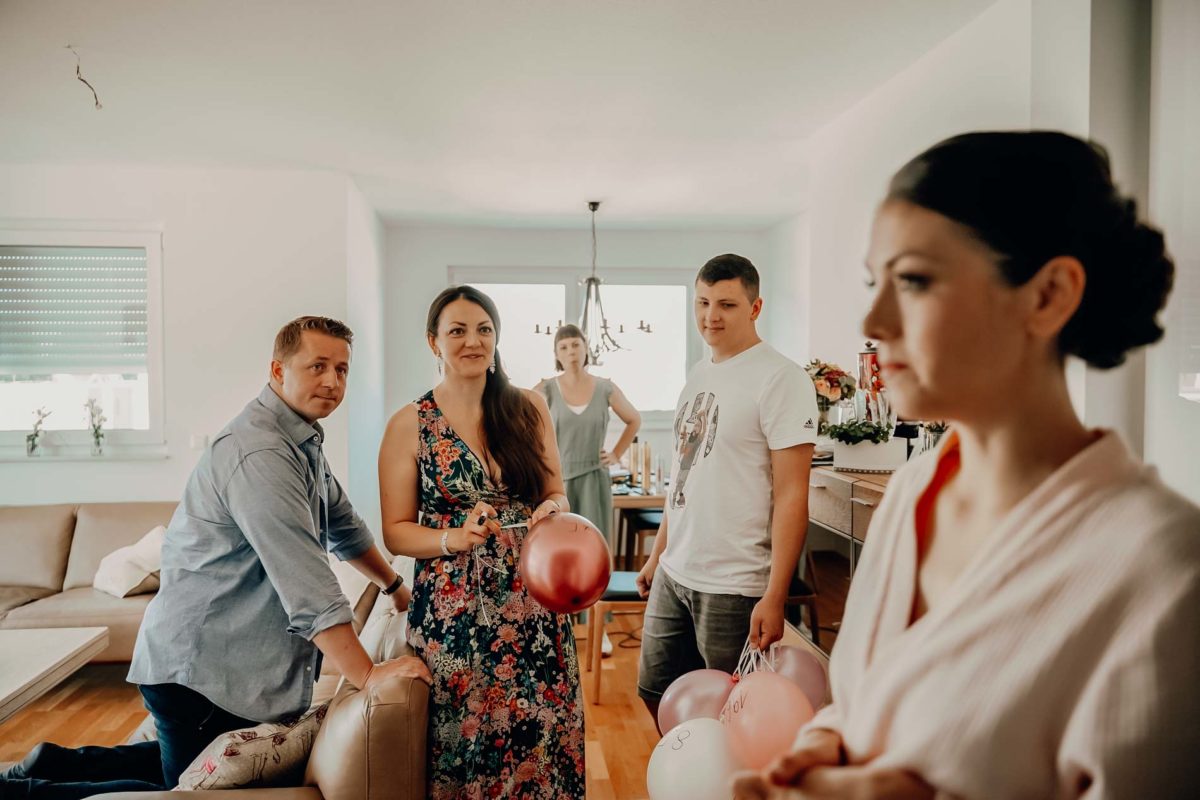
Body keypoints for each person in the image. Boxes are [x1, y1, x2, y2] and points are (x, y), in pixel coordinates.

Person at [733, 131, 1200, 800]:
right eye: (874, 283)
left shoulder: (1165, 572)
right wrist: (826, 743)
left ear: (1048, 295)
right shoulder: (912, 493)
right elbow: (872, 705)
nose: (874, 320)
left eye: (914, 281)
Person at [2, 316, 432, 798]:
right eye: (317, 366)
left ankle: (47, 763)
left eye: (342, 369)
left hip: (222, 662)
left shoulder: (300, 439)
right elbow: (307, 582)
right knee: (190, 791)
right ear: (278, 370)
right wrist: (369, 675)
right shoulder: (261, 453)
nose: (333, 381)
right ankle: (22, 791)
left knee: (182, 769)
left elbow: (344, 525)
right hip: (202, 670)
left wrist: (395, 587)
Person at [378, 286, 585, 799]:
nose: (473, 341)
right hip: (455, 611)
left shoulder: (528, 407)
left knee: (542, 727)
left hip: (534, 599)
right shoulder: (409, 424)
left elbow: (557, 491)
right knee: (467, 736)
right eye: (457, 331)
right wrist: (454, 537)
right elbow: (396, 531)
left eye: (484, 329)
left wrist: (550, 510)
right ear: (434, 342)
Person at [636, 254, 820, 725]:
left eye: (726, 304)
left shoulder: (782, 378)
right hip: (675, 572)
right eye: (702, 302)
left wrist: (775, 594)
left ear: (755, 308)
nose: (710, 316)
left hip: (735, 583)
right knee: (655, 692)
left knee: (733, 714)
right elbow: (684, 475)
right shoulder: (699, 374)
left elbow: (793, 496)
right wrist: (658, 555)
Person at [534, 325, 641, 651]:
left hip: (595, 479)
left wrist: (617, 453)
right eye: (564, 347)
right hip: (558, 486)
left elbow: (634, 419)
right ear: (556, 353)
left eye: (576, 345)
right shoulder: (547, 388)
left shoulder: (605, 387)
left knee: (594, 556)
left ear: (585, 348)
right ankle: (558, 629)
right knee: (558, 556)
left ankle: (599, 629)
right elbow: (517, 416)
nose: (571, 352)